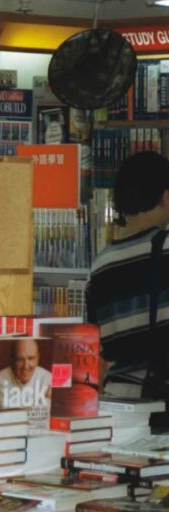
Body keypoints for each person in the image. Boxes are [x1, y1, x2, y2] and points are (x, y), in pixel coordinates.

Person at [86, 151, 169, 402]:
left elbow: (94, 347)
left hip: (118, 402)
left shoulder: (100, 265)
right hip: (160, 404)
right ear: (165, 196)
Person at [0, 337, 52, 411]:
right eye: (20, 359)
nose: (25, 367)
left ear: (38, 358)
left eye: (31, 358)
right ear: (13, 359)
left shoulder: (49, 379)